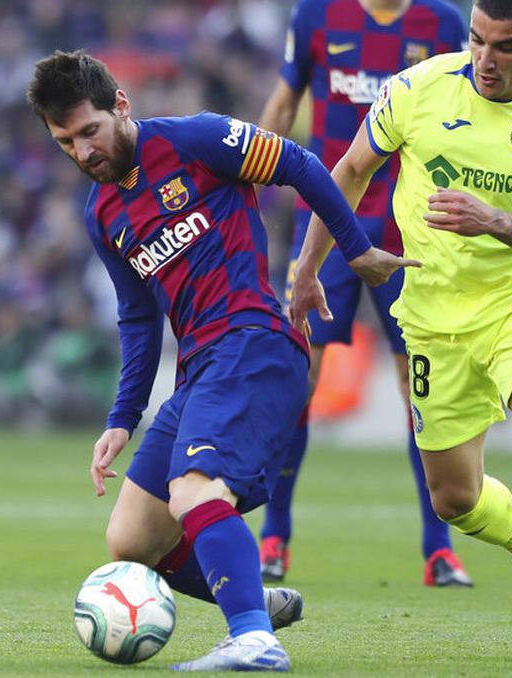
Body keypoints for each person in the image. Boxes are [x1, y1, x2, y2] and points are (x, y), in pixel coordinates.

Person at [27, 50, 415, 672]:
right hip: (199, 370)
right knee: (131, 540)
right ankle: (249, 597)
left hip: (253, 341)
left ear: (120, 105)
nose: (82, 152)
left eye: (89, 132)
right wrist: (122, 417)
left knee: (193, 491)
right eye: (65, 142)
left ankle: (255, 639)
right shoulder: (103, 216)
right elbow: (137, 317)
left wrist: (354, 248)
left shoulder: (197, 139)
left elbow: (301, 164)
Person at [289, 0, 512, 671]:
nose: (485, 60)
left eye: (505, 47)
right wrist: (308, 268)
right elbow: (347, 171)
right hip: (429, 317)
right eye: (476, 40)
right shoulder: (417, 88)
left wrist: (491, 220)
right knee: (455, 499)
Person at [256, 0, 472, 588]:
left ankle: (439, 548)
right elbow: (284, 103)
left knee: (420, 389)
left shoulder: (444, 24)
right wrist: (246, 177)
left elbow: (463, 119)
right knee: (302, 377)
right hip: (324, 223)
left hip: (408, 230)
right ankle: (275, 538)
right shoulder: (316, 14)